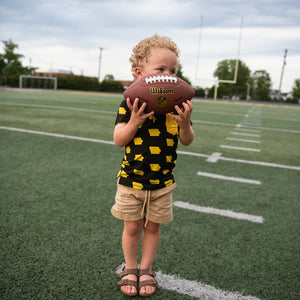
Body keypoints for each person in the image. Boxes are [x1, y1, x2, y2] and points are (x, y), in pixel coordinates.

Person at [111, 34, 194, 297]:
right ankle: (131, 267)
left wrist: (185, 124)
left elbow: (188, 141)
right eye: (160, 70)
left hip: (162, 183)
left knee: (153, 226)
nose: (169, 76)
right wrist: (134, 121)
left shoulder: (177, 106)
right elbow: (118, 139)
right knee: (132, 226)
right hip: (131, 180)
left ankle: (146, 268)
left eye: (173, 71)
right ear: (140, 73)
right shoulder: (129, 103)